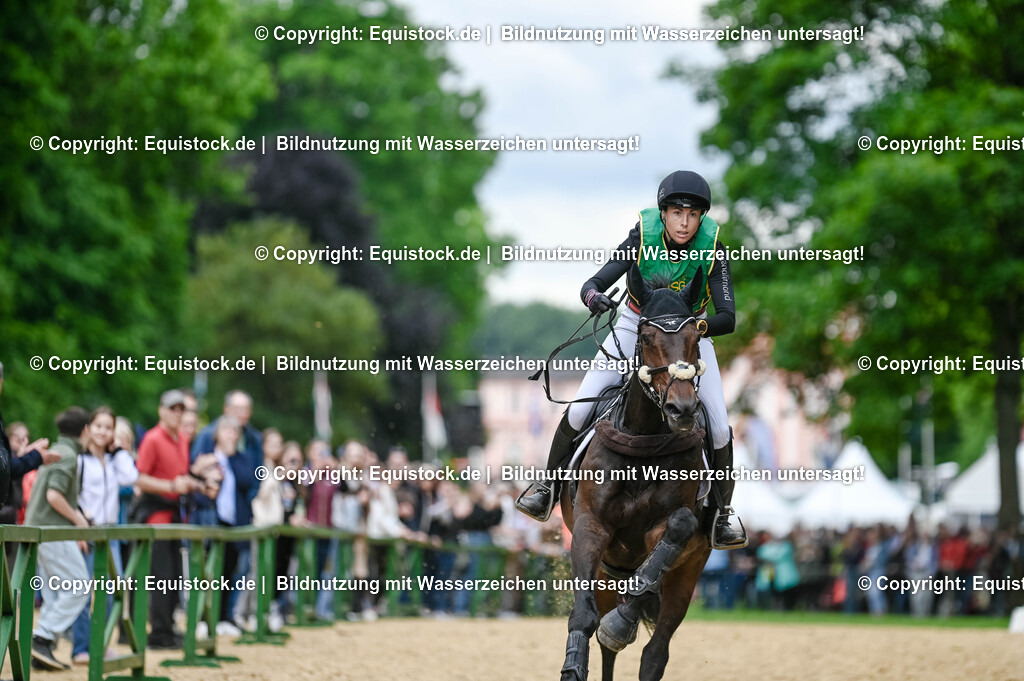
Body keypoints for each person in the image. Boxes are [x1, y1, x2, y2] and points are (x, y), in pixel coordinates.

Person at [515, 170, 747, 549]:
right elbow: (592, 285)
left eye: (693, 215)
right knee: (578, 409)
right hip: (636, 325)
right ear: (664, 213)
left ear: (701, 217)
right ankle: (547, 485)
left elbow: (727, 316)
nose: (685, 223)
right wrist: (596, 299)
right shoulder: (642, 235)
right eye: (677, 213)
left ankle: (723, 513)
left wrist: (688, 332)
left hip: (690, 336)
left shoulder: (714, 247)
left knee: (719, 427)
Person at [134, 389, 209, 649]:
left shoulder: (183, 439)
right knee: (161, 577)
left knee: (175, 576)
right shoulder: (153, 439)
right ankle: (159, 633)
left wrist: (198, 483)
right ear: (161, 411)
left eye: (181, 409)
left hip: (177, 516)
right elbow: (140, 478)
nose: (177, 413)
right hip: (156, 515)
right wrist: (170, 486)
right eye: (172, 409)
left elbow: (181, 476)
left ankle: (166, 628)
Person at [23, 407, 93, 671]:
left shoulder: (58, 449)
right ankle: (43, 637)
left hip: (41, 529)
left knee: (57, 591)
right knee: (80, 586)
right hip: (52, 530)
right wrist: (79, 521)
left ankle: (43, 647)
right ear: (85, 431)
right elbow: (54, 495)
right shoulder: (68, 455)